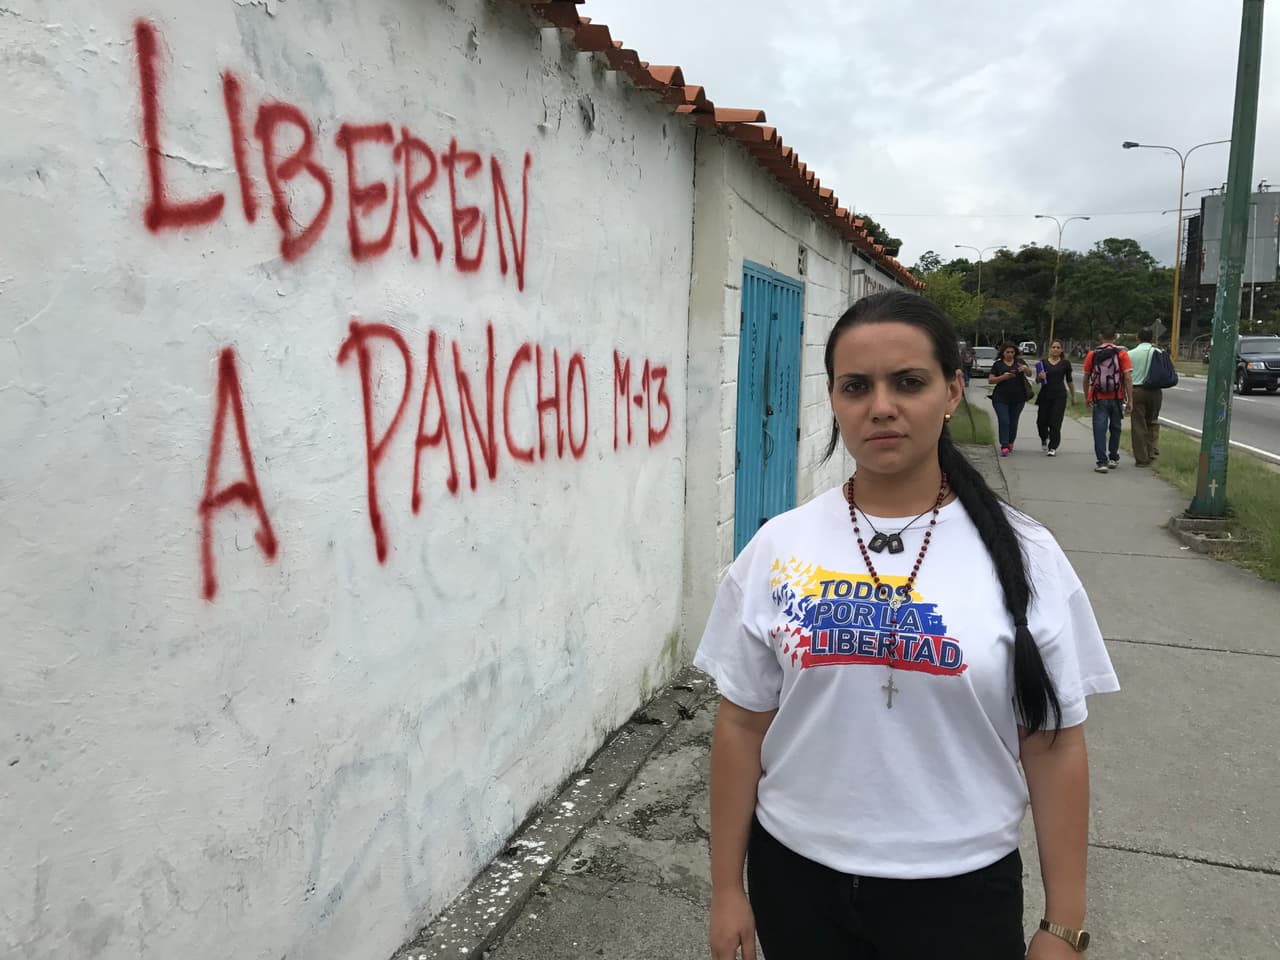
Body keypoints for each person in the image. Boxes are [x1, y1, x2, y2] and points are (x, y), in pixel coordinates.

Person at [698, 290, 1119, 960]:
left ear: (952, 392)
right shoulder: (781, 546)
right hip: (797, 879)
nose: (882, 406)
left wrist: (1063, 921)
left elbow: (1055, 743)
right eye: (856, 386)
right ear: (834, 399)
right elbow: (741, 725)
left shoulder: (1028, 553)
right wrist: (726, 887)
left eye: (909, 383)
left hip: (959, 892)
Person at [1082, 330, 1133, 473]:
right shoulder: (1121, 354)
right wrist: (1130, 400)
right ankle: (1113, 458)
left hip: (1099, 398)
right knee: (1115, 428)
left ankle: (1101, 462)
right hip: (1117, 397)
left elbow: (1086, 378)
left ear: (1100, 337)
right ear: (1115, 338)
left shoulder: (1092, 354)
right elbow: (1127, 378)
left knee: (1099, 430)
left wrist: (1087, 397)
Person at [988, 342, 1032, 457]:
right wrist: (1003, 377)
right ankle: (1004, 445)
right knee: (1004, 421)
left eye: (1012, 352)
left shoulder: (1019, 363)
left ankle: (1010, 441)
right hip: (1000, 398)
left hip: (1018, 398)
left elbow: (1030, 374)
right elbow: (991, 380)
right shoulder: (998, 365)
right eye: (1007, 352)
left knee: (1013, 421)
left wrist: (1025, 369)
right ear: (1003, 353)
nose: (1010, 354)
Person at [1035, 340, 1076, 457]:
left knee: (1055, 422)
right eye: (1053, 347)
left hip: (1059, 396)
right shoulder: (1042, 363)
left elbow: (1069, 381)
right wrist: (1040, 377)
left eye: (1058, 347)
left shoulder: (1065, 364)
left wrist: (1073, 396)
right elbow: (1037, 381)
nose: (1056, 349)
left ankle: (1053, 446)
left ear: (1062, 350)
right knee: (1041, 421)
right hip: (1045, 395)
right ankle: (1044, 437)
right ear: (1049, 349)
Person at [1127, 329, 1162, 467]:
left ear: (1138, 338)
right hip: (1155, 391)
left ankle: (1142, 459)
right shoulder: (1158, 352)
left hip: (1137, 390)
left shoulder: (1130, 354)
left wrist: (1127, 396)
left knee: (1138, 425)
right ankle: (1152, 452)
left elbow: (1127, 376)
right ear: (1152, 338)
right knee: (1152, 422)